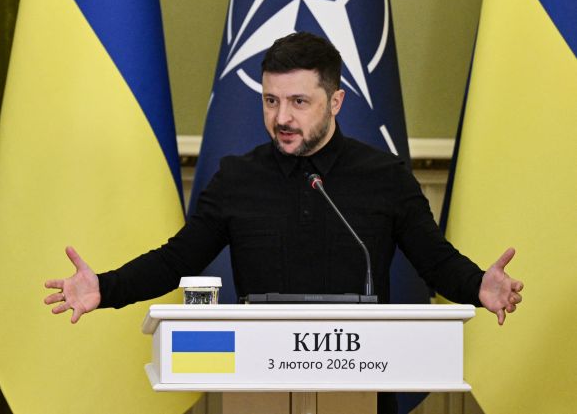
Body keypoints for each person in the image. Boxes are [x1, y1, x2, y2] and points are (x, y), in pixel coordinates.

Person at [45, 33, 523, 405]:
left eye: (299, 102)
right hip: (258, 381)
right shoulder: (238, 178)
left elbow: (435, 262)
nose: (281, 117)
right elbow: (176, 260)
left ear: (334, 102)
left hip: (362, 382)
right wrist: (103, 289)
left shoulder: (385, 177)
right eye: (271, 101)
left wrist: (479, 286)